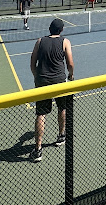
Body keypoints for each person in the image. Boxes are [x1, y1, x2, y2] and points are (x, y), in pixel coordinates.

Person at [29, 18, 74, 162]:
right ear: (61, 30)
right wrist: (71, 75)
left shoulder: (40, 41)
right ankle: (61, 136)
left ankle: (38, 150)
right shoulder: (65, 42)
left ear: (49, 29)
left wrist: (37, 77)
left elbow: (32, 62)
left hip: (42, 81)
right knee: (62, 108)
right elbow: (70, 64)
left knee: (41, 113)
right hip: (59, 82)